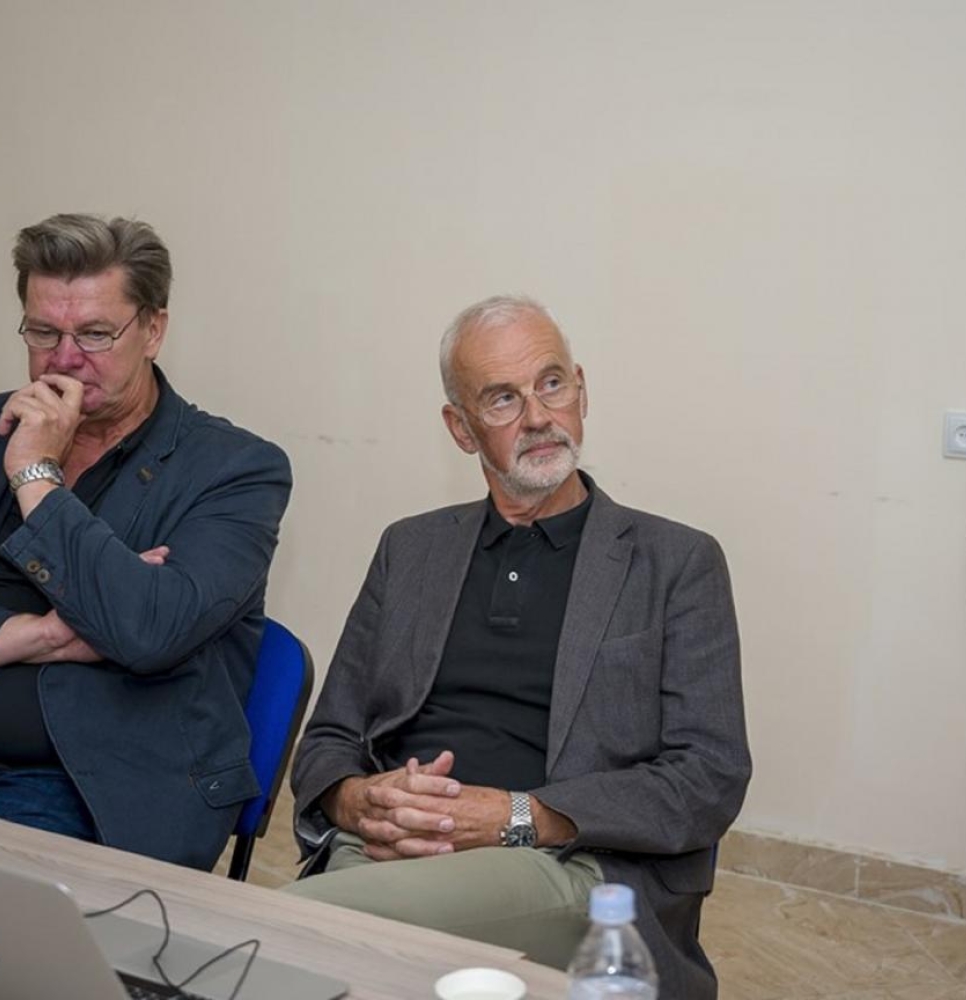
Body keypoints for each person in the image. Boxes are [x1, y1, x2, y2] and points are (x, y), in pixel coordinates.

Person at [286, 295, 749, 1000]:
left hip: (566, 862)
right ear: (461, 428)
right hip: (393, 849)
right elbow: (329, 737)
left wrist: (515, 816)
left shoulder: (674, 562)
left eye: (551, 383)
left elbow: (709, 777)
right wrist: (361, 802)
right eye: (503, 398)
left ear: (581, 392)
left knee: (287, 933)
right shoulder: (410, 549)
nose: (537, 416)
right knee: (338, 956)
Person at [0, 214, 291, 871]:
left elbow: (148, 631)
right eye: (43, 332)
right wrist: (41, 635)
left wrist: (35, 474)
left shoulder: (234, 468)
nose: (64, 358)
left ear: (153, 330)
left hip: (81, 787)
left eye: (95, 334)